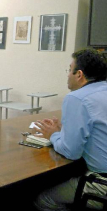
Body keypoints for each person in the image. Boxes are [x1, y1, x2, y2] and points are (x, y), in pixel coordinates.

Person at [34, 49, 107, 211]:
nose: (67, 75)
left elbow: (71, 151)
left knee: (45, 199)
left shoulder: (77, 98)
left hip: (102, 185)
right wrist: (64, 132)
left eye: (69, 70)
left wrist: (53, 135)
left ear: (79, 74)